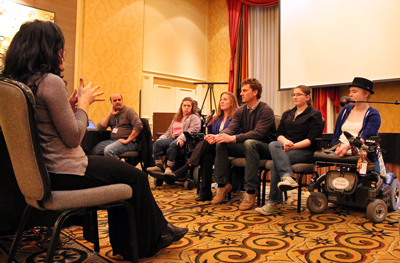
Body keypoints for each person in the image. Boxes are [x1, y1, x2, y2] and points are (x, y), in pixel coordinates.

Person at [1, 20, 187, 260]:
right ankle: (143, 243)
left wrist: (67, 108)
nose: (63, 53)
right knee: (137, 177)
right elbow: (74, 137)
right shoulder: (50, 81)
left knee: (125, 175)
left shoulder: (21, 83)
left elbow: (44, 123)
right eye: (60, 47)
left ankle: (151, 235)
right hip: (65, 171)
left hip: (40, 175)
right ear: (48, 48)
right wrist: (84, 105)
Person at [209, 78, 276, 211]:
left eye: (245, 91)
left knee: (250, 143)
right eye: (242, 91)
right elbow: (231, 128)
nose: (241, 93)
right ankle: (222, 186)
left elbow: (258, 134)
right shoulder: (241, 110)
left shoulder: (266, 110)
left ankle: (251, 191)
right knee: (222, 143)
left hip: (265, 148)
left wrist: (233, 138)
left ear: (255, 92)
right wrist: (219, 136)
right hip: (248, 146)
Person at [255, 85, 323, 215]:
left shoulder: (314, 114)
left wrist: (293, 146)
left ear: (307, 97)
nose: (295, 97)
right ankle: (287, 177)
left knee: (276, 161)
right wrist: (285, 142)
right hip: (285, 149)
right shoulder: (287, 114)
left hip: (305, 151)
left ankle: (273, 202)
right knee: (274, 144)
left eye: (299, 94)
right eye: (293, 94)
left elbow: (312, 139)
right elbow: (279, 134)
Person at [166, 92, 239, 201]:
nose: (222, 101)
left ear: (232, 102)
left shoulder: (236, 117)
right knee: (206, 153)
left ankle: (187, 167)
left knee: (206, 145)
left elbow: (235, 133)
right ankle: (205, 192)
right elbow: (211, 134)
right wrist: (209, 126)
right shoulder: (217, 118)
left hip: (229, 146)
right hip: (216, 146)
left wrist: (214, 137)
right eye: (221, 99)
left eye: (225, 99)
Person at [147, 97, 201, 175]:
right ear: (181, 106)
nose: (186, 108)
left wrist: (182, 138)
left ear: (192, 107)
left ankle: (169, 167)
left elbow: (192, 130)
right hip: (173, 138)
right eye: (184, 105)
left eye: (189, 106)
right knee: (157, 143)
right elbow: (169, 131)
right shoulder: (177, 118)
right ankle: (159, 166)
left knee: (173, 145)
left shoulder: (194, 118)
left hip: (186, 140)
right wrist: (162, 138)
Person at [331, 77, 381, 157]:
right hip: (339, 148)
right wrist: (336, 146)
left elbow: (365, 137)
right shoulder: (345, 110)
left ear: (366, 94)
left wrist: (347, 146)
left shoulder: (373, 114)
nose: (350, 95)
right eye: (350, 91)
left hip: (360, 151)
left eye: (354, 92)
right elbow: (337, 133)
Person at [91, 93, 143, 158]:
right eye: (115, 100)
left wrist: (127, 140)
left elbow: (138, 125)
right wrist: (110, 114)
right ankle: (104, 167)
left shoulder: (129, 111)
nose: (117, 102)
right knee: (95, 151)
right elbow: (100, 128)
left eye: (119, 100)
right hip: (113, 141)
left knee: (109, 150)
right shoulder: (112, 114)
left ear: (122, 100)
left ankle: (117, 168)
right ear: (111, 103)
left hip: (129, 143)